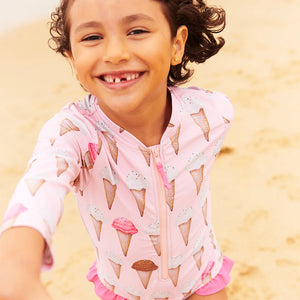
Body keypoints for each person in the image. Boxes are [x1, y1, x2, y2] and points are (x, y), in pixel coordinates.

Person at [0, 0, 235, 299]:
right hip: (125, 291)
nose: (115, 54)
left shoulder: (212, 115)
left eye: (136, 30)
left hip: (202, 280)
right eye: (92, 37)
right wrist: (14, 267)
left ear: (176, 45)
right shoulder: (73, 134)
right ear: (72, 59)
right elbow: (39, 186)